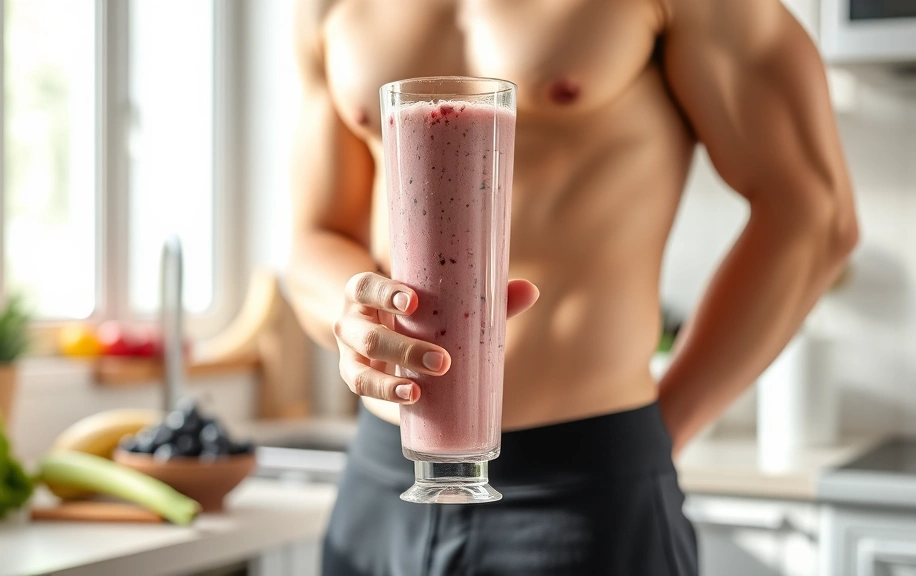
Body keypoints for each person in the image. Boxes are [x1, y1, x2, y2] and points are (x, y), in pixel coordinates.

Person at [287, 0, 858, 574]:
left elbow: (814, 211)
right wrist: (354, 306)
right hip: (382, 480)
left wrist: (664, 430)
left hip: (588, 486)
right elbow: (317, 235)